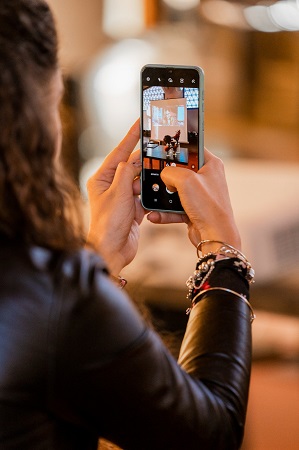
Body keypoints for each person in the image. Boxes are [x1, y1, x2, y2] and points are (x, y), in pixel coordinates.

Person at [0, 1, 254, 449]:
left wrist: (101, 257)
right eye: (55, 101)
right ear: (31, 118)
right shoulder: (56, 292)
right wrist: (223, 250)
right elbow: (210, 433)